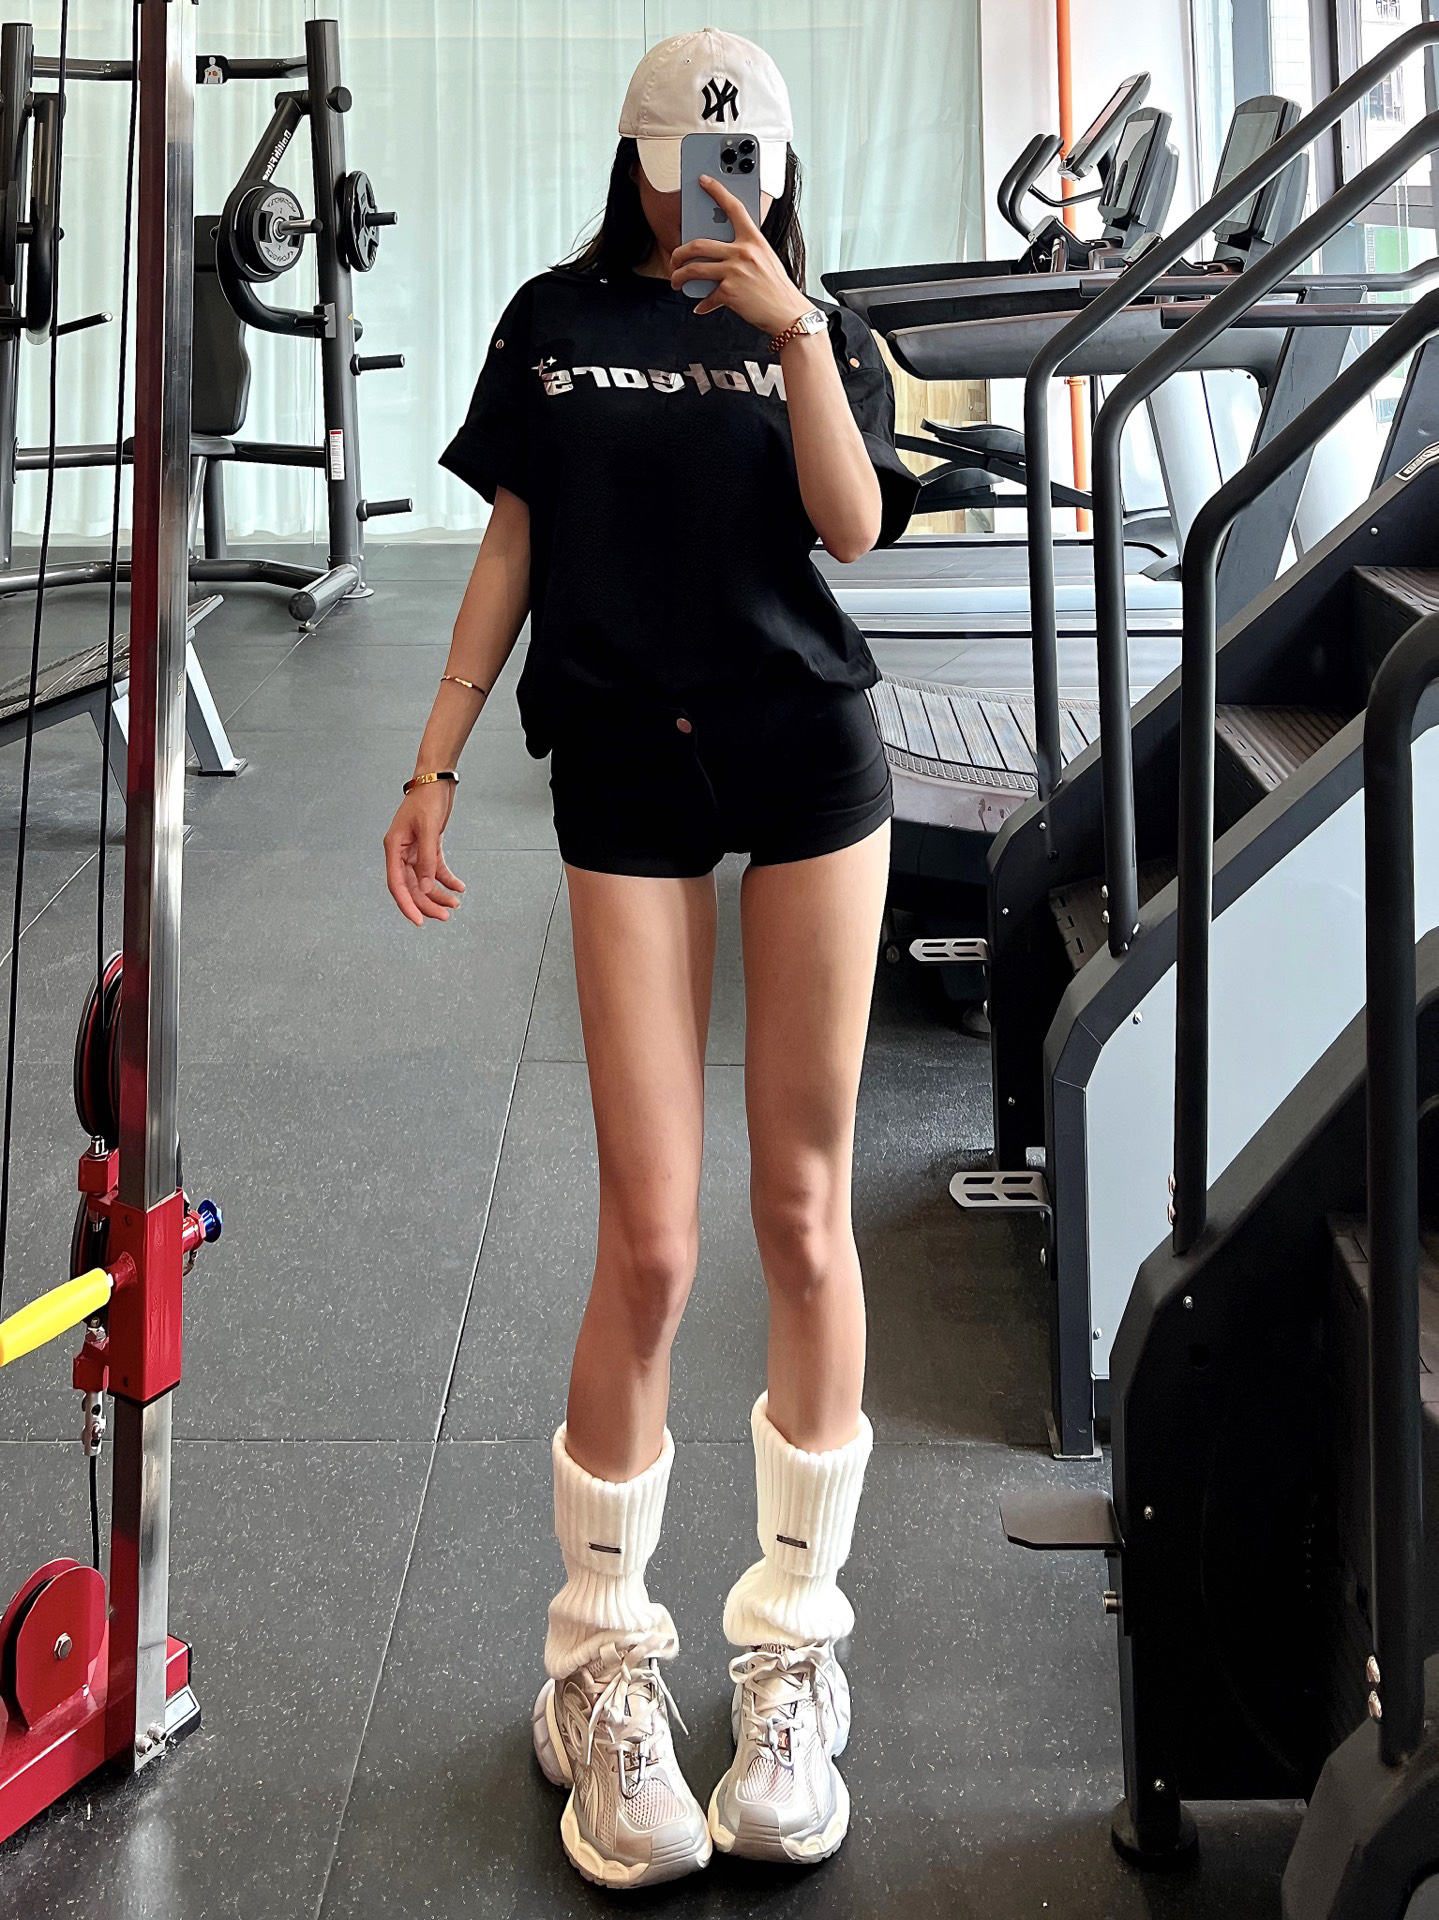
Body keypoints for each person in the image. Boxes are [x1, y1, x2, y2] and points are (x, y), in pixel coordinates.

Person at [383, 24, 918, 1892]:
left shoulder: (818, 327)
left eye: (746, 162)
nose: (716, 188)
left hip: (806, 755)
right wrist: (435, 759)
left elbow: (853, 525)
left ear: (779, 169)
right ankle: (599, 1664)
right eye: (688, 158)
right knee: (655, 1238)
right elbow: (512, 548)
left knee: (804, 1209)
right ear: (633, 159)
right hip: (621, 758)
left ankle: (792, 1659)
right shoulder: (549, 321)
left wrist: (793, 333)